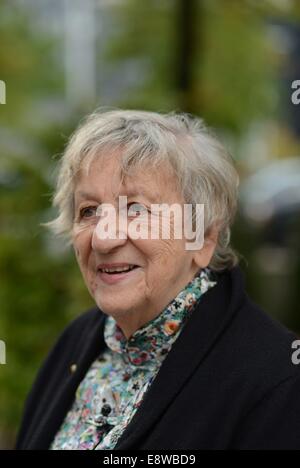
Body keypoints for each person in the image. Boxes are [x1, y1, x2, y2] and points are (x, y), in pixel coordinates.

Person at [16, 109, 300, 450]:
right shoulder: (76, 342)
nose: (104, 239)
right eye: (89, 210)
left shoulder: (276, 381)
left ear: (203, 237)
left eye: (135, 208)